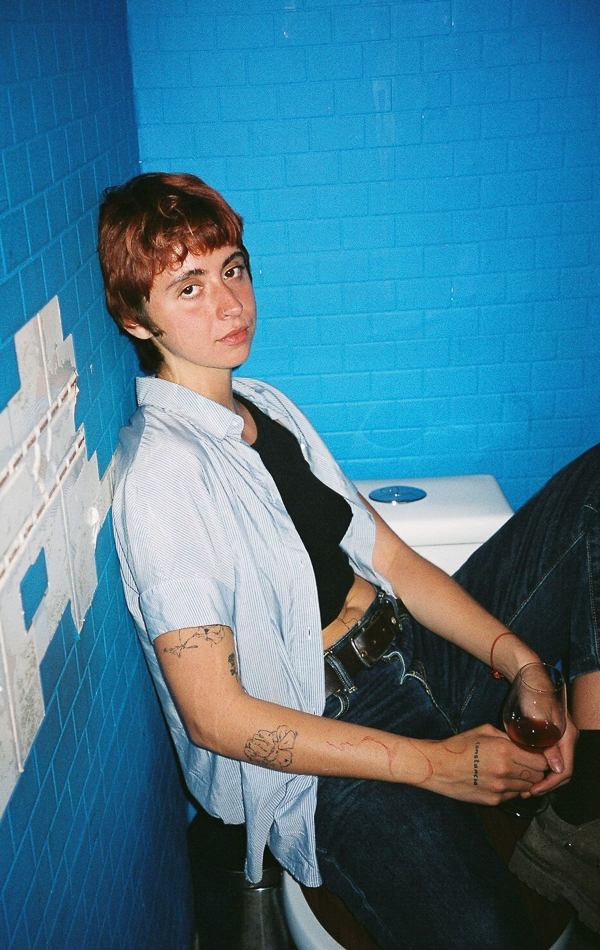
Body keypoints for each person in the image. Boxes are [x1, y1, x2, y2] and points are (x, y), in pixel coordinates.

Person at [98, 172, 600, 950]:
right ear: (135, 318)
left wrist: (526, 665)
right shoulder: (165, 473)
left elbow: (388, 555)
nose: (229, 304)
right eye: (188, 287)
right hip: (330, 729)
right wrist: (435, 765)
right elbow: (215, 716)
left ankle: (579, 810)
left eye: (233, 269)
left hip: (413, 651)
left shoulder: (266, 406)